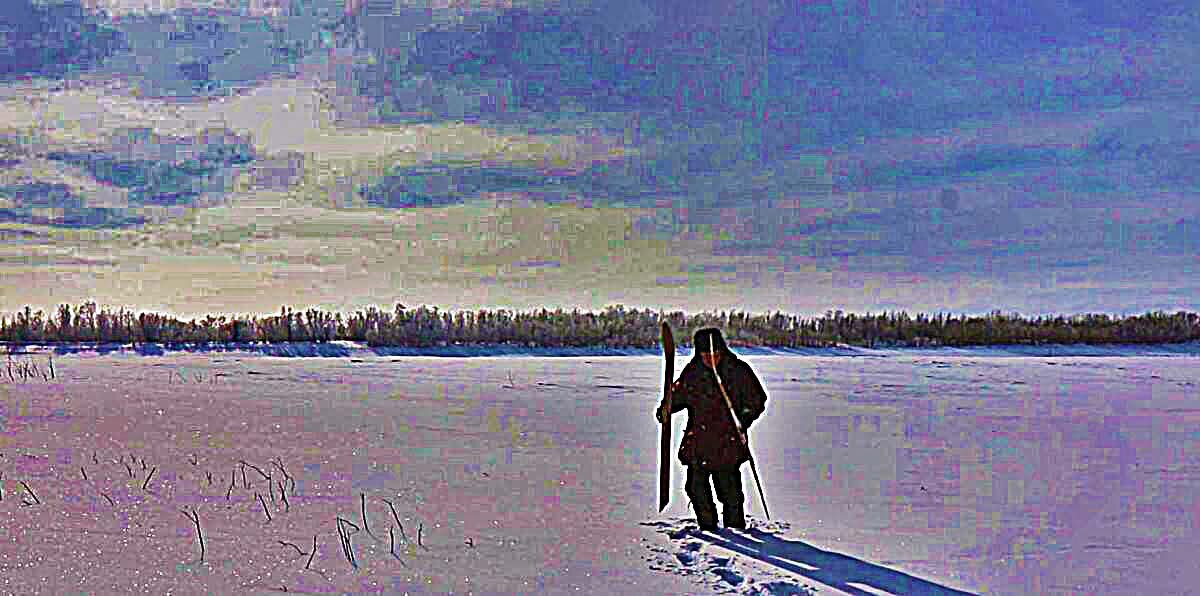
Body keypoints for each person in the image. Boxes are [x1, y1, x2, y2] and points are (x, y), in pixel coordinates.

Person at [657, 327, 767, 531]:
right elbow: (679, 396)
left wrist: (743, 419)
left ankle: (735, 528)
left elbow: (757, 400)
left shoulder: (738, 371)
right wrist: (665, 410)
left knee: (729, 489)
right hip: (699, 438)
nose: (710, 358)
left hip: (728, 440)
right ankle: (707, 526)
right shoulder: (693, 372)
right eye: (705, 354)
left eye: (715, 353)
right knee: (695, 487)